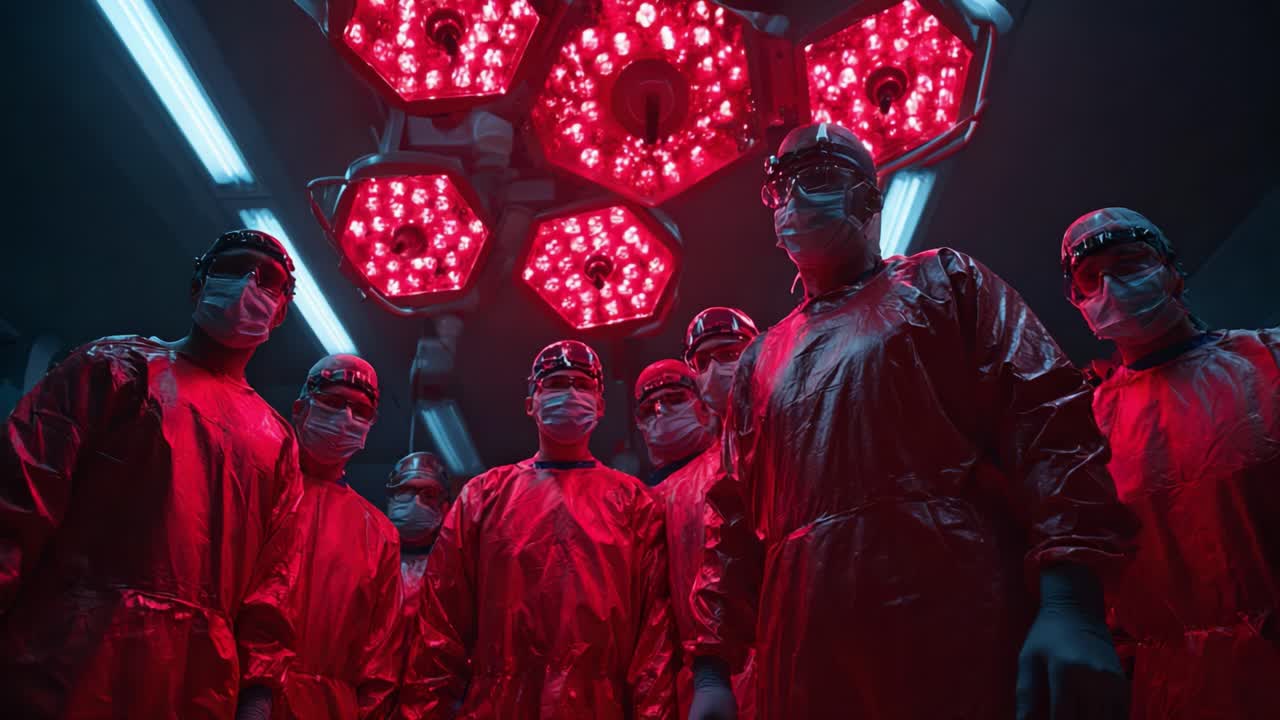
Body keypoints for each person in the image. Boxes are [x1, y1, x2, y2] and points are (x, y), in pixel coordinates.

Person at [686, 123, 1137, 720]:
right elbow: (732, 521)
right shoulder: (761, 361)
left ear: (867, 197)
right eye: (782, 187)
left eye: (817, 178)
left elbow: (1047, 422)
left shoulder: (944, 283)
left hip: (957, 627)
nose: (795, 200)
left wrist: (1070, 597)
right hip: (806, 654)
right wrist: (713, 670)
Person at [1, 229, 304, 718]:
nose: (249, 283)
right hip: (67, 663)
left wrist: (256, 700)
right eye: (233, 268)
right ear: (198, 285)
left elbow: (272, 589)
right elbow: (18, 502)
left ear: (280, 311)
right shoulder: (111, 368)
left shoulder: (276, 443)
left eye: (268, 280)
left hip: (196, 682)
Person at [1062, 207, 1280, 718]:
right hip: (1177, 688)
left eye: (1129, 263)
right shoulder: (1084, 428)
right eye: (1091, 278)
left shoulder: (1268, 362)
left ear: (1170, 270)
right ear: (1079, 301)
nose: (1112, 287)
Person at [397, 340, 676, 719]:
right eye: (557, 383)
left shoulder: (634, 503)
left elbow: (654, 638)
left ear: (600, 405)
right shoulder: (483, 497)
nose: (571, 394)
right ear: (531, 403)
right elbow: (440, 628)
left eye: (582, 384)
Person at [644, 309, 762, 720]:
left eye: (729, 353)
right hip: (708, 674)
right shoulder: (657, 498)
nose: (662, 412)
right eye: (703, 360)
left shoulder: (779, 440)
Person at [278, 354, 402, 719]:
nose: (346, 418)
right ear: (300, 408)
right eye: (333, 402)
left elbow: (380, 660)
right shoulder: (258, 489)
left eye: (360, 411)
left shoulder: (378, 534)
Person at [385, 451, 457, 690]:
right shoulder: (367, 558)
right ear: (390, 498)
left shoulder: (454, 570)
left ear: (445, 506)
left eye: (428, 494)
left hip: (432, 694)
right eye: (405, 491)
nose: (415, 502)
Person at [633, 359, 716, 486]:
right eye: (649, 409)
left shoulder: (731, 469)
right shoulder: (648, 493)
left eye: (674, 399)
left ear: (704, 406)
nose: (662, 412)